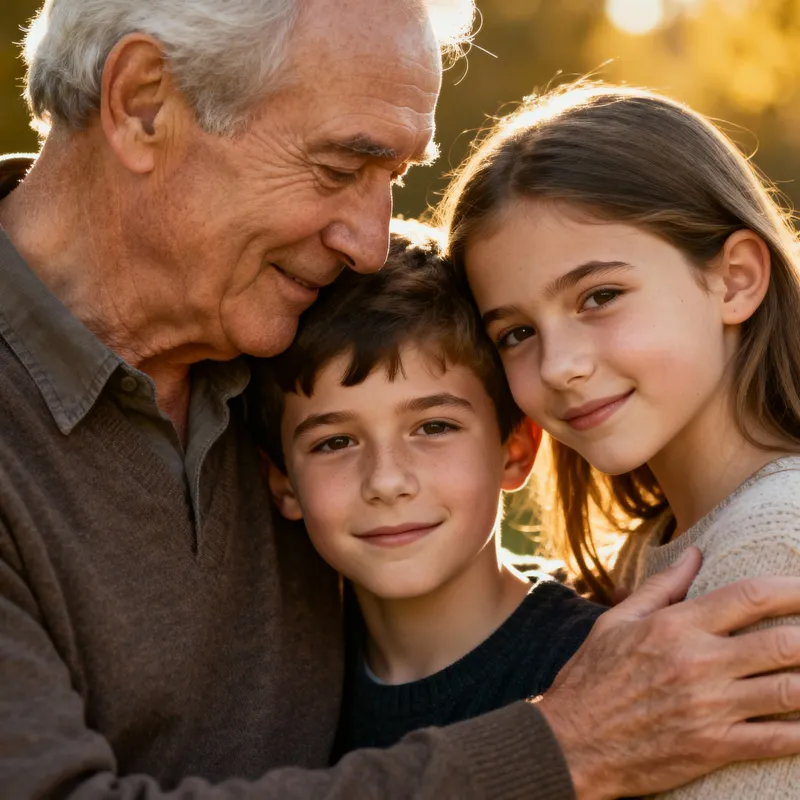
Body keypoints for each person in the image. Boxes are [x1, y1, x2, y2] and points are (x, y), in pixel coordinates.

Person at [2, 1, 800, 796]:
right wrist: (563, 747)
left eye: (394, 179)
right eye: (339, 168)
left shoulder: (276, 330)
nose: (370, 245)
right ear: (144, 102)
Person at [440, 82, 800, 797]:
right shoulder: (656, 549)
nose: (559, 365)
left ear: (735, 280)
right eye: (516, 333)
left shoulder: (773, 545)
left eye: (599, 297)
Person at [252, 223, 606, 755]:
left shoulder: (596, 664)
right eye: (335, 442)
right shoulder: (285, 687)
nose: (387, 481)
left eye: (434, 427)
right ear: (283, 482)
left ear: (515, 451)